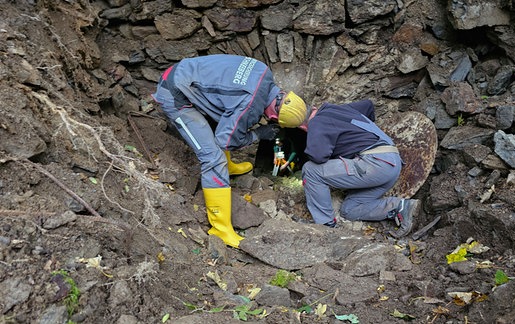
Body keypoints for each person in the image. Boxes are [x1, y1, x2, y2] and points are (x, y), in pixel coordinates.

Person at [151, 54, 309, 248]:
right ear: (275, 115)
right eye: (275, 120)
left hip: (188, 74)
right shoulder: (250, 105)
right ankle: (220, 228)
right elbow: (226, 141)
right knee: (213, 158)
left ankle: (230, 167)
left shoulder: (264, 71)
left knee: (228, 117)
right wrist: (259, 134)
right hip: (175, 94)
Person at [301, 99, 420, 238]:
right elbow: (368, 105)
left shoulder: (316, 122)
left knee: (310, 170)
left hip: (375, 163)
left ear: (303, 127)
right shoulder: (337, 109)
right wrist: (361, 138)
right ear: (312, 107)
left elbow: (318, 157)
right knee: (350, 210)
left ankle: (326, 227)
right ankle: (400, 207)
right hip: (391, 163)